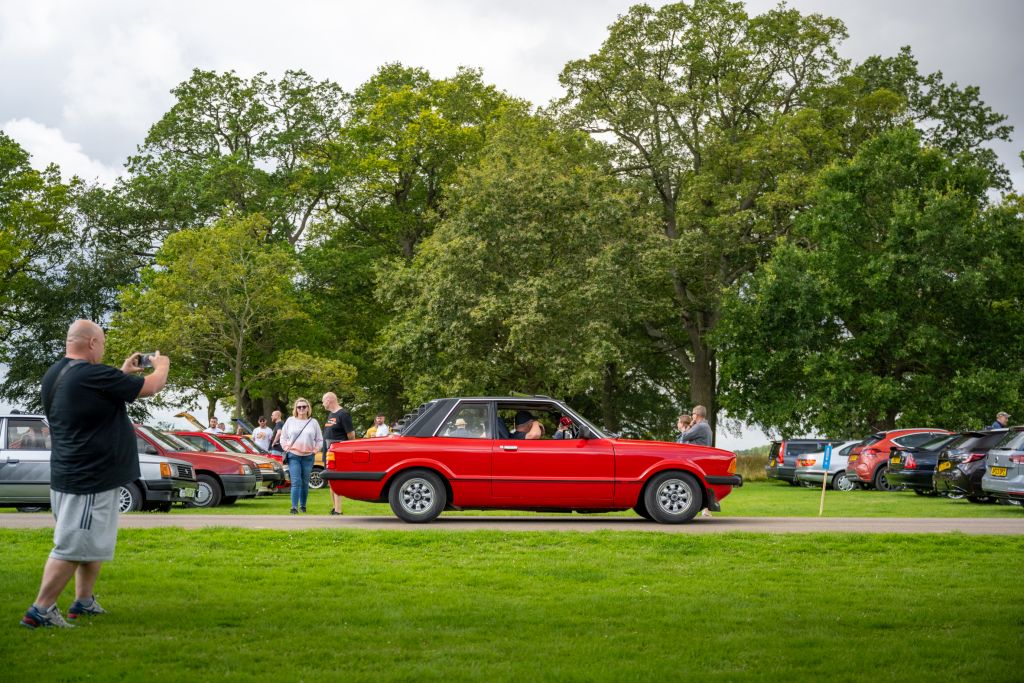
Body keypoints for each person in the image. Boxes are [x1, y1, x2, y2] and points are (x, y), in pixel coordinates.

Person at [21, 320, 169, 629]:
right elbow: (153, 386)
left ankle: (83, 602)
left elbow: (97, 393)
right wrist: (161, 365)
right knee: (73, 544)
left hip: (74, 473)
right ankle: (41, 610)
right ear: (91, 344)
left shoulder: (57, 373)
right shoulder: (92, 375)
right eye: (101, 343)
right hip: (87, 478)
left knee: (93, 543)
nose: (102, 349)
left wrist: (124, 373)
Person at [321, 392, 354, 515]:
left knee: (336, 480)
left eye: (323, 400)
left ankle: (339, 510)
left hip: (338, 452)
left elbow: (351, 434)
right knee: (330, 480)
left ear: (329, 400)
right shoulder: (331, 415)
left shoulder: (343, 414)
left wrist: (348, 449)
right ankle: (334, 508)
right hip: (328, 451)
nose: (323, 403)